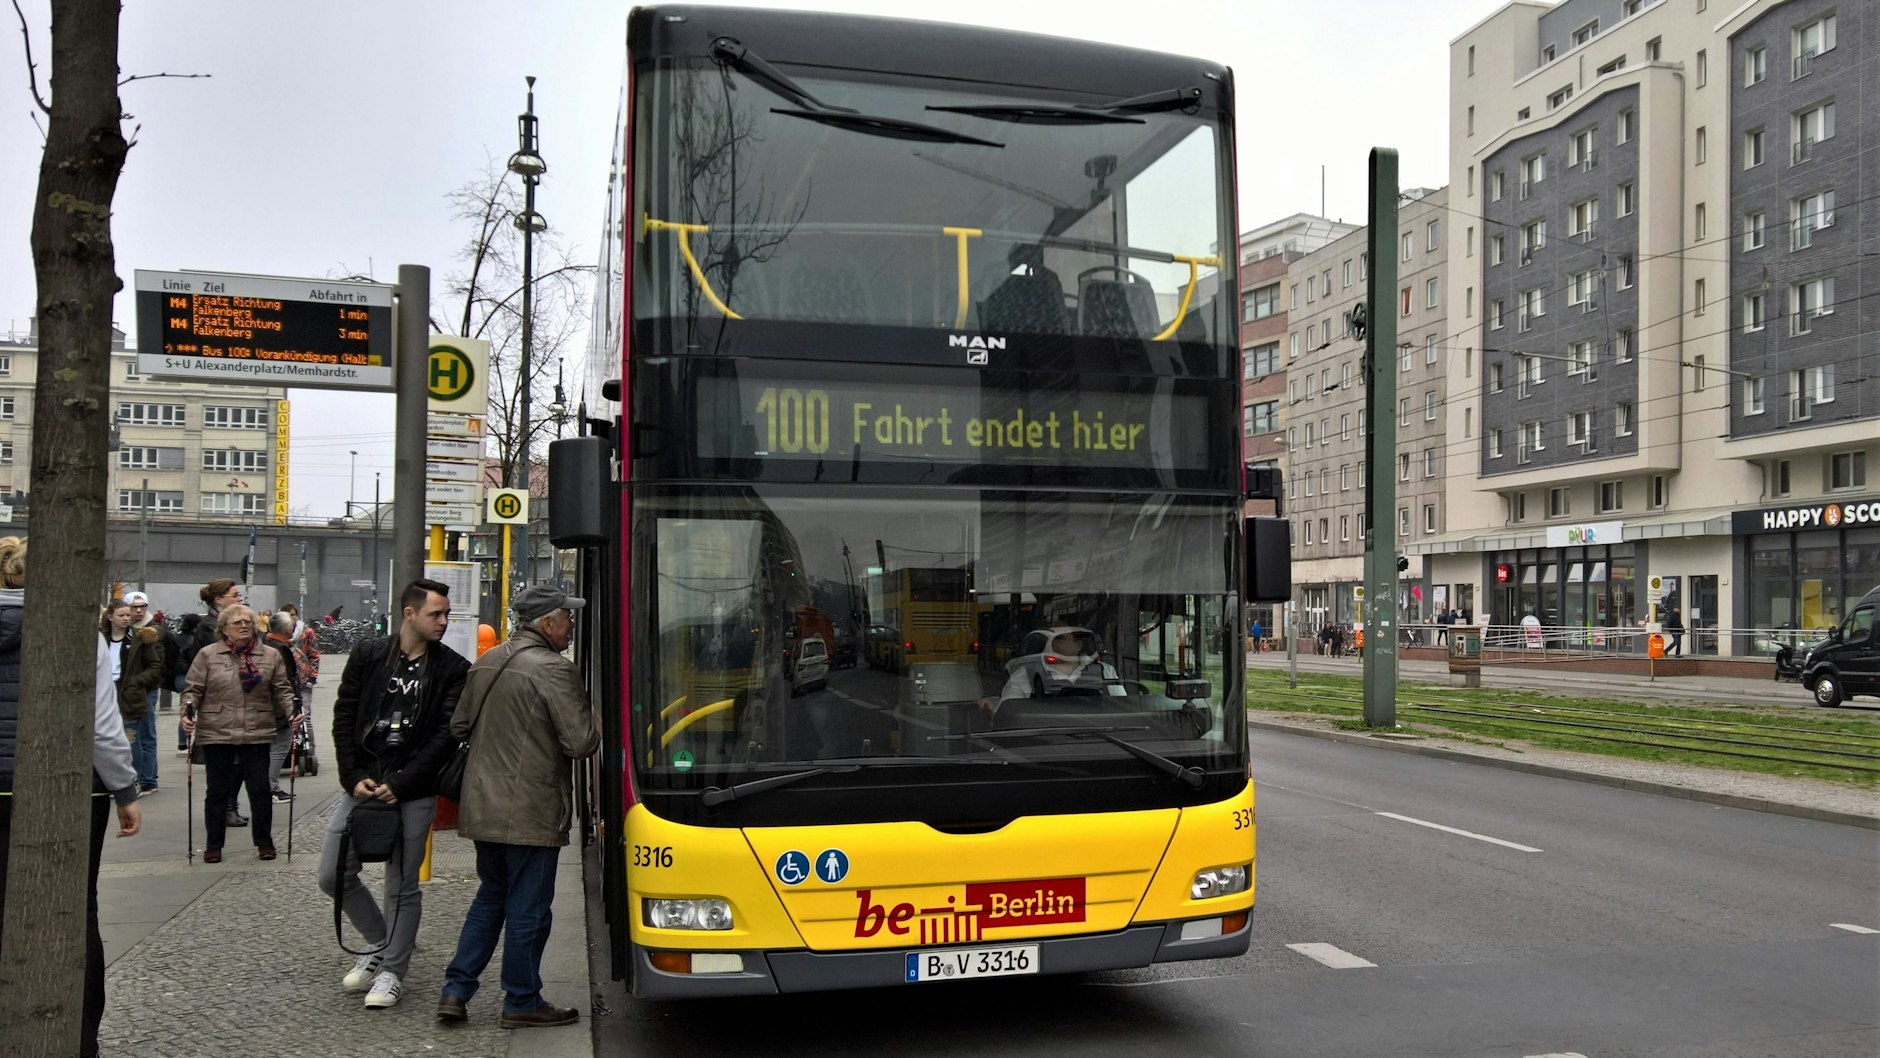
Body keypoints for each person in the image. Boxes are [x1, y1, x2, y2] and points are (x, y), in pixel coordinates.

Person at [0, 538, 144, 1058]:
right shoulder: (76, 632)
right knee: (74, 912)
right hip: (67, 787)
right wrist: (125, 788)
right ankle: (79, 1038)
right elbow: (104, 727)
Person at [438, 585, 599, 1028]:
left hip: (483, 805)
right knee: (529, 910)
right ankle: (522, 1001)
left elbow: (460, 724)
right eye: (566, 618)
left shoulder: (489, 661)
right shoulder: (554, 670)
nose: (570, 626)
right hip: (530, 807)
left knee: (491, 898)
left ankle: (455, 990)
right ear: (547, 623)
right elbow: (581, 742)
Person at [320, 578, 469, 1010]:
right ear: (409, 613)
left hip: (413, 789)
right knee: (332, 873)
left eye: (446, 614)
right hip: (363, 782)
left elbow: (445, 736)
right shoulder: (369, 654)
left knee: (402, 885)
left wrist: (402, 783)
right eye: (435, 614)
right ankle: (380, 944)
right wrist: (352, 775)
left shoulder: (451, 668)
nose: (443, 621)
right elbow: (345, 714)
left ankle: (391, 971)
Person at [180, 604, 297, 863]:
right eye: (237, 623)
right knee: (217, 791)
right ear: (224, 629)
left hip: (257, 729)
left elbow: (282, 689)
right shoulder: (208, 655)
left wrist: (292, 711)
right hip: (217, 730)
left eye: (247, 622)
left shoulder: (270, 655)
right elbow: (193, 689)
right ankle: (214, 845)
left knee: (260, 790)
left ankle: (264, 842)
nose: (244, 626)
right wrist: (187, 713)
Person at [103, 599, 164, 794]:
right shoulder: (101, 638)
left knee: (132, 738)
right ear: (110, 616)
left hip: (130, 694)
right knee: (110, 739)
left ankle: (134, 780)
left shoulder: (139, 638)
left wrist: (137, 681)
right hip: (106, 692)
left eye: (127, 615)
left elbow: (155, 666)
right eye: (121, 615)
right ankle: (114, 778)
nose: (125, 619)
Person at [125, 591, 168, 791]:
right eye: (135, 607)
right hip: (129, 690)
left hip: (146, 690)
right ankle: (142, 777)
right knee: (133, 736)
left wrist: (139, 682)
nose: (139, 611)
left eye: (143, 606)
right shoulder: (125, 631)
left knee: (145, 735)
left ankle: (148, 779)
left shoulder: (152, 631)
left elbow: (157, 665)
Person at [262, 611, 303, 802]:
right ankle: (271, 787)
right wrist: (292, 706)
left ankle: (268, 786)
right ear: (288, 629)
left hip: (270, 705)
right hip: (278, 707)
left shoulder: (265, 643)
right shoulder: (280, 649)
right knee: (280, 746)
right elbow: (285, 681)